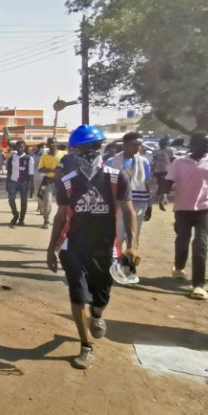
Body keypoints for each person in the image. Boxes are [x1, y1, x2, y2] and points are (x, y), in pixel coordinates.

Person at [46, 125, 137, 370]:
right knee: (77, 295)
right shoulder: (66, 182)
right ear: (75, 152)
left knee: (101, 296)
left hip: (106, 248)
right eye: (84, 148)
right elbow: (61, 216)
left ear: (102, 147)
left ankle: (96, 314)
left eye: (94, 146)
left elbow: (129, 212)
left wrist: (133, 245)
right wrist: (51, 248)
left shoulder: (117, 178)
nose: (90, 152)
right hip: (73, 246)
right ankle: (85, 345)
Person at [157, 132, 208, 300]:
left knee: (200, 243)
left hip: (206, 206)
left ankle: (198, 285)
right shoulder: (179, 162)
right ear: (193, 144)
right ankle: (179, 267)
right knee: (182, 240)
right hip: (183, 207)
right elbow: (168, 181)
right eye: (204, 143)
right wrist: (163, 195)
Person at [106, 131, 152, 284]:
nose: (137, 147)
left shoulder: (143, 162)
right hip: (118, 206)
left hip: (138, 204)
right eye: (134, 144)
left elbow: (147, 183)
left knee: (133, 239)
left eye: (139, 144)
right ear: (125, 145)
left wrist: (149, 204)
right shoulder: (112, 161)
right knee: (116, 238)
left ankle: (129, 270)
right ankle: (113, 269)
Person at [38, 137, 66, 229]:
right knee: (48, 201)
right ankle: (46, 220)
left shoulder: (64, 154)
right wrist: (51, 170)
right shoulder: (44, 156)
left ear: (56, 143)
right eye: (49, 143)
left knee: (61, 202)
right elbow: (40, 169)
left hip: (61, 181)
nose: (51, 145)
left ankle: (62, 220)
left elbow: (67, 166)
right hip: (49, 181)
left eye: (53, 143)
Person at [6, 140, 35, 227]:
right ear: (15, 147)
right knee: (11, 199)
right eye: (18, 146)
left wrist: (31, 185)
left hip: (24, 183)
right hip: (13, 182)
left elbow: (31, 173)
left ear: (24, 147)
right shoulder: (12, 158)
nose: (19, 148)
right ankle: (15, 215)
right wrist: (7, 183)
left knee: (24, 201)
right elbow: (9, 172)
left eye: (21, 146)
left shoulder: (29, 158)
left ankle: (21, 219)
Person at [151, 136, 175, 201]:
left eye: (164, 143)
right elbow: (154, 160)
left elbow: (172, 159)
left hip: (167, 170)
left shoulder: (170, 150)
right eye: (161, 143)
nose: (162, 144)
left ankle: (162, 196)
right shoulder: (156, 151)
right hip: (158, 170)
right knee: (160, 183)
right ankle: (160, 196)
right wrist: (152, 168)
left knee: (166, 183)